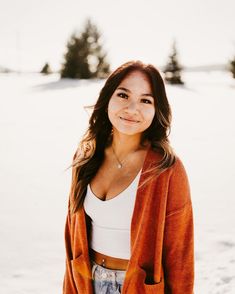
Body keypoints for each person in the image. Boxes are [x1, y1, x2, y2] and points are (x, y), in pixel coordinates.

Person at [63, 60, 194, 294]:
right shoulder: (86, 157)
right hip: (86, 281)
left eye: (146, 100)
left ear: (156, 110)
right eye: (123, 95)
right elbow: (72, 239)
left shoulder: (167, 169)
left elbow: (180, 256)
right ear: (107, 99)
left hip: (138, 288)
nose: (132, 109)